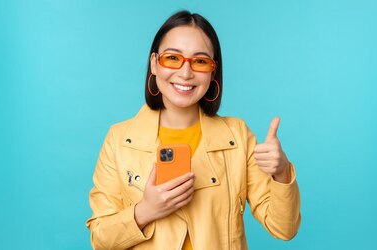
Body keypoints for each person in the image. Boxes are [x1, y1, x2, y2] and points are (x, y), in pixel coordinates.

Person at [86, 10, 301, 250]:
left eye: (199, 61)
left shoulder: (237, 136)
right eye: (172, 58)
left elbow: (284, 228)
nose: (186, 73)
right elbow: (100, 239)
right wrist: (145, 211)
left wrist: (281, 173)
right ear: (154, 64)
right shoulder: (119, 140)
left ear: (212, 71)